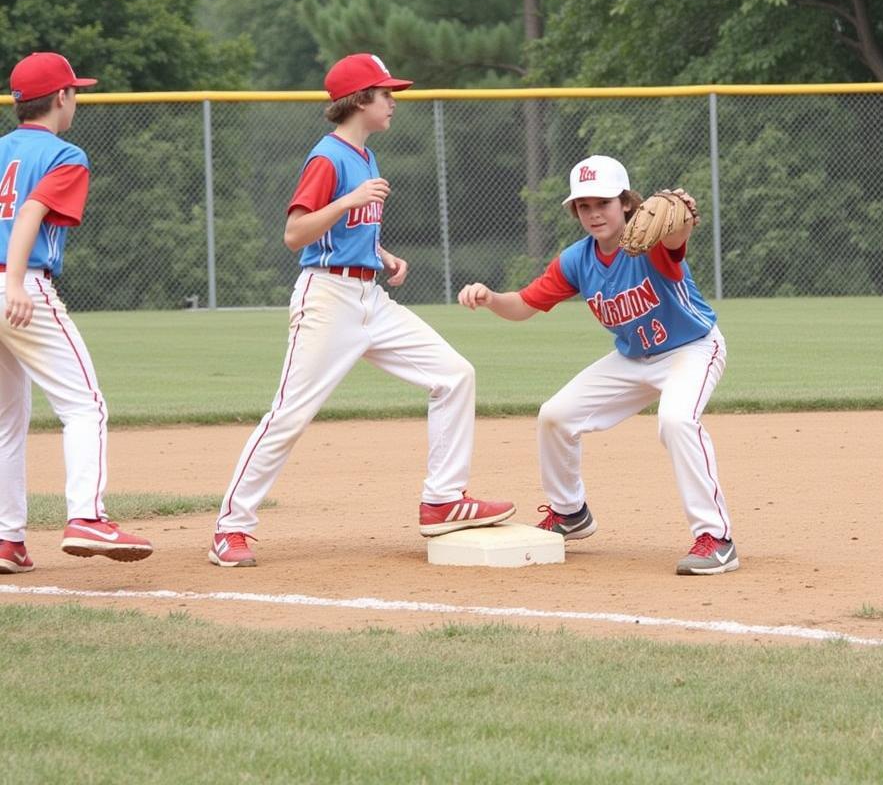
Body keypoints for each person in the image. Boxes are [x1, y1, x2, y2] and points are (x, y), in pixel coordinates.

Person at [209, 53, 515, 567]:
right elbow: (295, 235)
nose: (393, 102)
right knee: (290, 415)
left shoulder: (366, 157)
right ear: (358, 100)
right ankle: (230, 529)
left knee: (454, 375)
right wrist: (349, 202)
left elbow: (346, 235)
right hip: (327, 300)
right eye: (385, 93)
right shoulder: (327, 158)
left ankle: (442, 500)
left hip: (370, 297)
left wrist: (381, 253)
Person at [458, 155, 738, 575]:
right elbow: (522, 305)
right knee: (556, 416)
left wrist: (679, 220)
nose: (593, 214)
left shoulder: (652, 242)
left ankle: (717, 539)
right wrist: (490, 298)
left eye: (603, 203)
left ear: (626, 203)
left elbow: (676, 234)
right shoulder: (576, 260)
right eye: (584, 206)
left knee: (677, 421)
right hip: (633, 357)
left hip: (692, 348)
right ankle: (570, 513)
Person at [0, 52, 153, 574]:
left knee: (6, 423)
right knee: (85, 406)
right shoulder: (66, 154)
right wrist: (16, 281)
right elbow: (31, 213)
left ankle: (7, 540)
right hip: (21, 287)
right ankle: (86, 516)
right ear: (61, 97)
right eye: (75, 91)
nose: (77, 99)